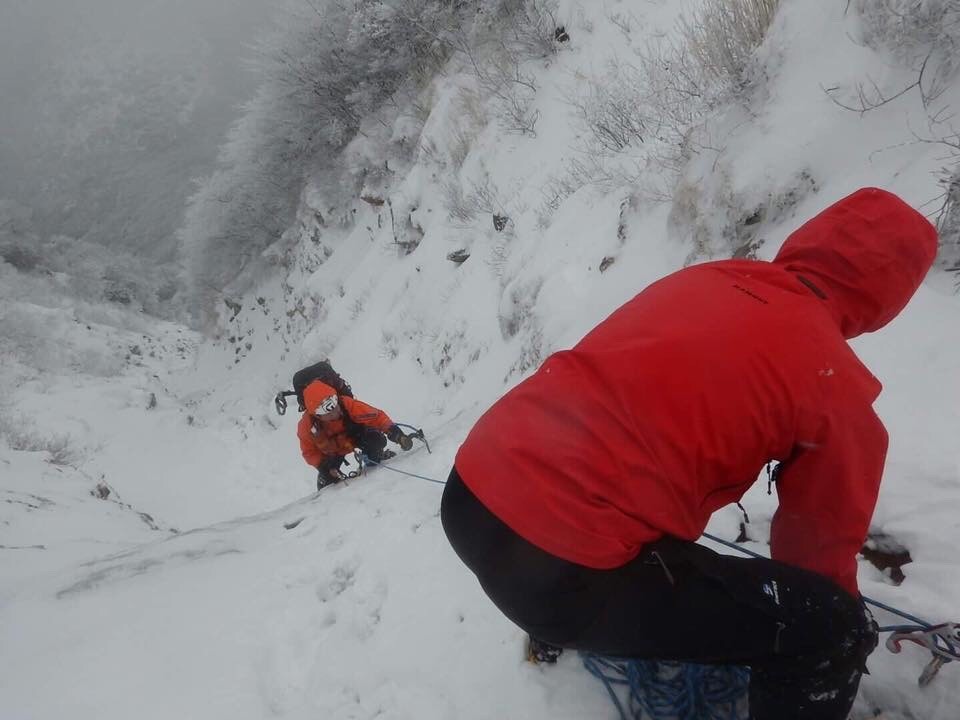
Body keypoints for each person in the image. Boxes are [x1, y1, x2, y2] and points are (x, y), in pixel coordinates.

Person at [440, 188, 938, 720]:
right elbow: (816, 555)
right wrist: (831, 613)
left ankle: (553, 616)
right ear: (890, 296)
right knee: (831, 631)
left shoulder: (706, 280)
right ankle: (560, 615)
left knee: (627, 515)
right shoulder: (836, 388)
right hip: (565, 570)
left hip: (470, 497)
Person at [298, 380, 413, 490]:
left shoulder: (347, 405)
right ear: (318, 415)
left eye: (335, 404)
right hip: (331, 454)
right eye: (329, 412)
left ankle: (373, 459)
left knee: (377, 440)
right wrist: (324, 468)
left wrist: (397, 434)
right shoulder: (306, 427)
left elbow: (377, 417)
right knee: (328, 483)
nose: (336, 411)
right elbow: (309, 452)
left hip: (355, 438)